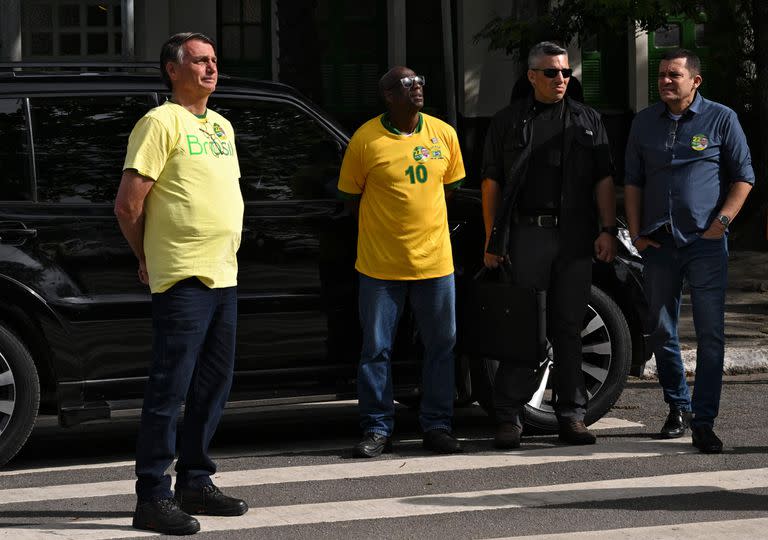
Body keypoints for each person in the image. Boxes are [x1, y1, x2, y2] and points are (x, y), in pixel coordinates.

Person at [115, 32, 248, 535]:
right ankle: (152, 494)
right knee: (169, 390)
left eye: (214, 60)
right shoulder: (159, 122)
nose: (211, 68)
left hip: (224, 273)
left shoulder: (221, 126)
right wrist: (146, 255)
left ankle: (196, 480)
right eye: (199, 61)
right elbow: (129, 204)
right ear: (173, 69)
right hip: (183, 275)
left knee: (214, 386)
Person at [481, 41, 618, 449]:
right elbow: (492, 183)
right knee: (524, 328)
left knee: (569, 328)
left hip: (575, 238)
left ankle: (571, 417)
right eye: (551, 72)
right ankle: (508, 417)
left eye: (565, 72)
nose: (561, 79)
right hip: (527, 236)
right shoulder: (507, 121)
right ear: (531, 76)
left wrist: (608, 229)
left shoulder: (588, 120)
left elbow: (604, 180)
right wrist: (493, 238)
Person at [624, 48, 754, 454]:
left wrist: (722, 224)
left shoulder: (720, 118)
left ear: (695, 81)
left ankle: (704, 420)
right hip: (658, 242)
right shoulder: (644, 122)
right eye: (661, 74)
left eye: (673, 75)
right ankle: (677, 407)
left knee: (711, 334)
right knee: (661, 328)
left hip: (704, 243)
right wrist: (634, 231)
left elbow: (743, 177)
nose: (664, 80)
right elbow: (632, 180)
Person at [338, 66, 466, 458]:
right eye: (407, 84)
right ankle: (377, 428)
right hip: (380, 267)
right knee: (376, 349)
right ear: (388, 95)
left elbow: (453, 187)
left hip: (435, 263)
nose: (418, 88)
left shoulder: (444, 134)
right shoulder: (365, 139)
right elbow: (349, 196)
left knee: (441, 346)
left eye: (420, 81)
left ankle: (438, 426)